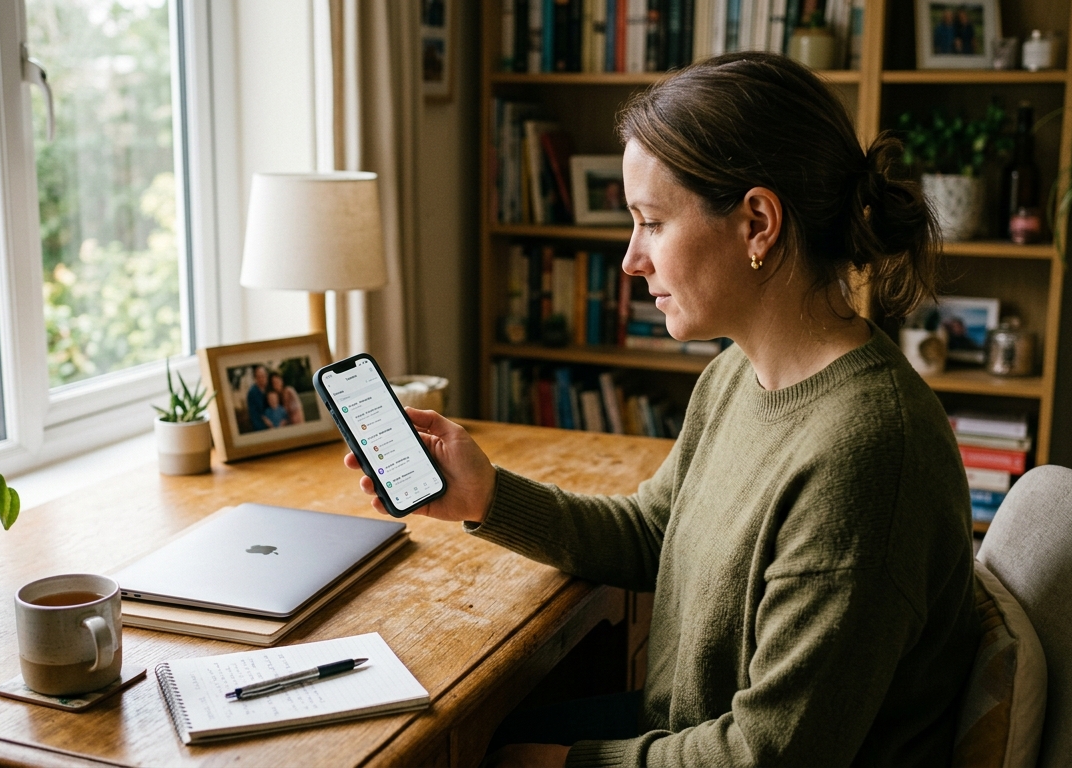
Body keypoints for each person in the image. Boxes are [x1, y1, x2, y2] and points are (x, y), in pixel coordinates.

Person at [346, 52, 978, 767]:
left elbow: (767, 755)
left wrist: (569, 766)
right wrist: (486, 497)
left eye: (650, 222)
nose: (630, 260)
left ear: (758, 224)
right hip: (681, 733)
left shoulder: (866, 453)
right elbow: (656, 532)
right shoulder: (740, 373)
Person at [245, 365, 273, 432]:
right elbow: (254, 416)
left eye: (263, 376)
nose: (262, 379)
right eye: (259, 377)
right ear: (255, 378)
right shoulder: (252, 393)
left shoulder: (270, 388)